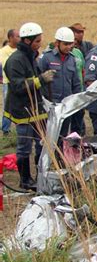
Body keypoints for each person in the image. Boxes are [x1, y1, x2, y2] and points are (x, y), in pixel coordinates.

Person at [4, 22, 55, 191]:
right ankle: (25, 180)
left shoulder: (30, 56)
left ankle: (40, 176)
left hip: (36, 109)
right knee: (24, 147)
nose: (39, 44)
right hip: (23, 111)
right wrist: (41, 79)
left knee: (41, 143)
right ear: (27, 41)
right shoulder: (15, 60)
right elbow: (18, 86)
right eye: (37, 41)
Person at [38, 27, 82, 137]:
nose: (68, 47)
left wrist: (77, 101)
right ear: (57, 43)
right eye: (65, 44)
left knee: (63, 135)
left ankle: (59, 154)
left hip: (66, 105)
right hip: (50, 105)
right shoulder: (46, 58)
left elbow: (76, 83)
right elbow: (39, 79)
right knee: (49, 136)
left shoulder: (72, 59)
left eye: (70, 44)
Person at [0, 29, 20, 135]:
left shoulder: (21, 51)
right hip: (8, 83)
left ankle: (20, 128)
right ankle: (5, 129)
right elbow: (5, 66)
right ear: (10, 38)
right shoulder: (3, 51)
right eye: (17, 36)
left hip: (20, 82)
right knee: (8, 106)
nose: (19, 38)